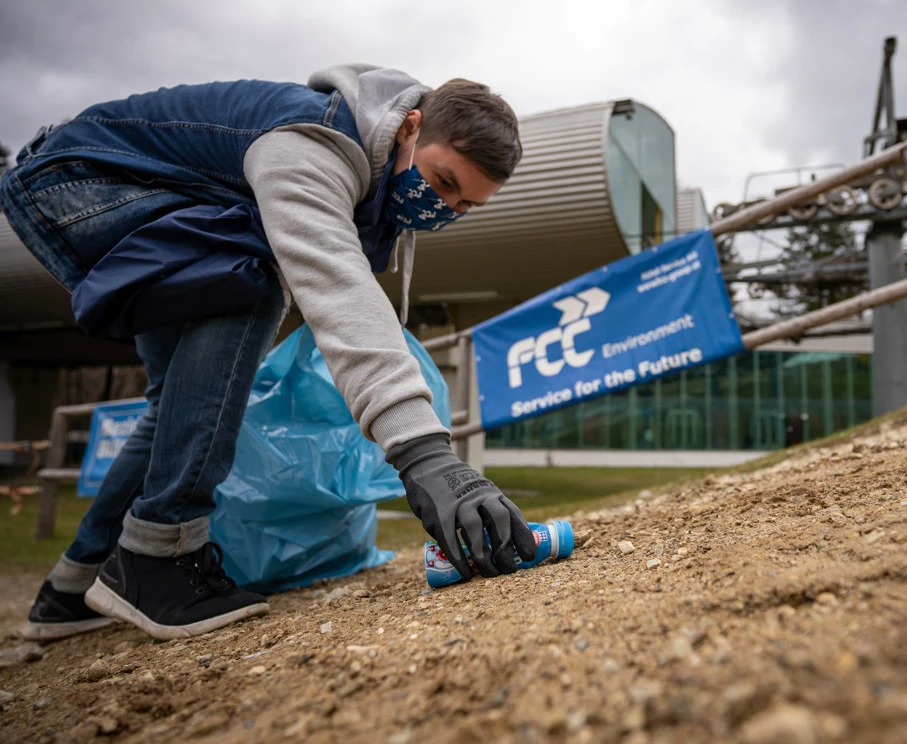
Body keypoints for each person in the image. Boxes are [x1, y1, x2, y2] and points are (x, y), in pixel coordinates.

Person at [2, 65, 539, 642]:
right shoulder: (313, 145)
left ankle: (73, 588)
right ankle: (156, 555)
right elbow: (335, 283)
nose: (445, 207)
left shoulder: (378, 167)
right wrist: (424, 454)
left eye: (464, 205)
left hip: (139, 192)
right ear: (410, 127)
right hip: (82, 181)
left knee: (173, 400)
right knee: (248, 281)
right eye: (443, 181)